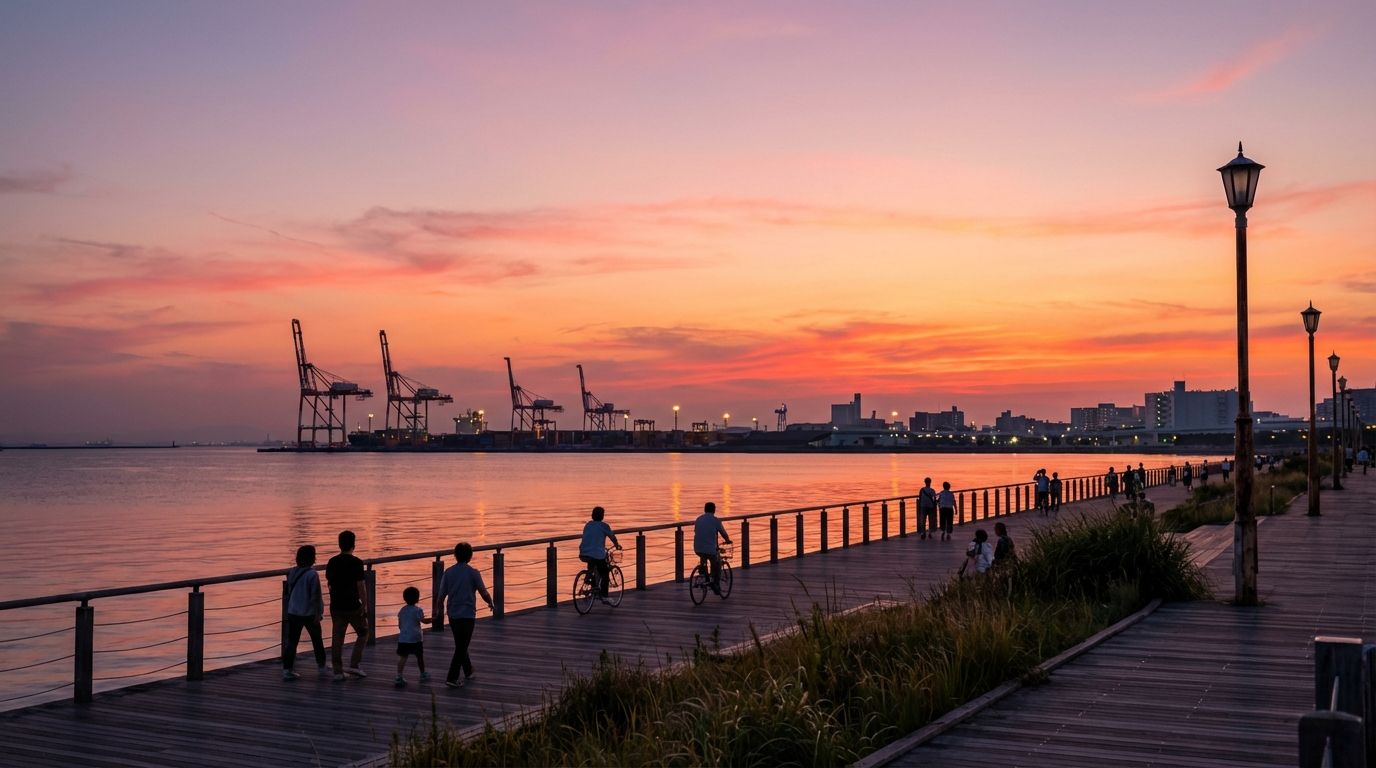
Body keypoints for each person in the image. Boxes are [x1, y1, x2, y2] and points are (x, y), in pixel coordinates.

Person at [438, 541, 493, 688]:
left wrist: (438, 611)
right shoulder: (473, 573)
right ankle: (452, 677)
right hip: (468, 614)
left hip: (453, 614)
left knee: (460, 643)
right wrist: (491, 602)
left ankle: (468, 671)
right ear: (470, 556)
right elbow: (483, 591)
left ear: (455, 556)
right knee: (462, 646)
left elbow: (441, 595)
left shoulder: (448, 573)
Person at [326, 530, 369, 681]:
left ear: (339, 544)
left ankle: (338, 671)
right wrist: (364, 604)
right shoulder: (356, 562)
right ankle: (354, 665)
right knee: (363, 632)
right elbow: (361, 586)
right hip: (352, 605)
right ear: (353, 545)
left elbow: (329, 583)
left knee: (338, 638)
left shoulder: (332, 562)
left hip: (336, 605)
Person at [282, 545, 325, 681]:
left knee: (292, 641)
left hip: (293, 611)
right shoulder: (312, 574)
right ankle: (321, 666)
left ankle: (287, 669)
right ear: (312, 558)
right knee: (317, 640)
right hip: (308, 613)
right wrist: (318, 613)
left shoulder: (292, 572)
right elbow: (315, 596)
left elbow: (289, 590)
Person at [394, 586, 433, 687]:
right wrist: (434, 619)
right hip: (415, 639)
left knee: (403, 657)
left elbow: (400, 625)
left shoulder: (402, 610)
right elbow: (424, 621)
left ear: (404, 598)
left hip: (403, 638)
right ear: (417, 598)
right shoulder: (418, 610)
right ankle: (422, 673)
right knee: (419, 657)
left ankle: (399, 676)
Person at [578, 506, 622, 597]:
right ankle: (604, 595)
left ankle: (590, 581)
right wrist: (617, 545)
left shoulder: (588, 525)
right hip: (596, 554)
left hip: (583, 553)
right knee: (605, 572)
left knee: (592, 566)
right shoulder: (604, 526)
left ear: (592, 515)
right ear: (602, 516)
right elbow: (612, 537)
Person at [693, 502, 732, 595]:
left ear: (704, 509)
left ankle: (704, 572)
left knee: (703, 555)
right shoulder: (716, 520)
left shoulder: (698, 519)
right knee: (717, 564)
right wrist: (727, 540)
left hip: (697, 548)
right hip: (710, 549)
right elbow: (722, 532)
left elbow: (696, 531)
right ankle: (715, 584)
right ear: (714, 510)